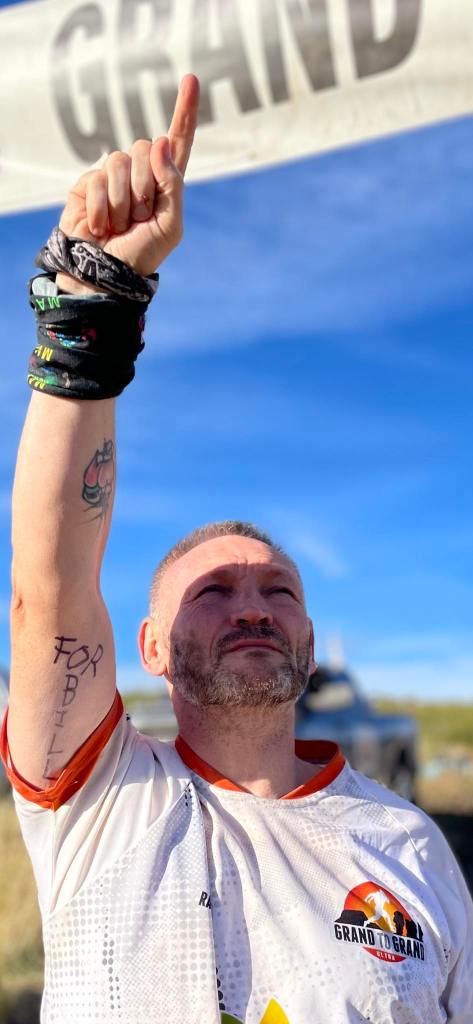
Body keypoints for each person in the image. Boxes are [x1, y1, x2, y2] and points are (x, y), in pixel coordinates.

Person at [1, 74, 472, 1024]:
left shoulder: (411, 848)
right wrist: (95, 297)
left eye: (280, 590)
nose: (254, 602)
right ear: (146, 649)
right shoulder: (99, 796)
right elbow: (51, 587)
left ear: (308, 634)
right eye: (212, 590)